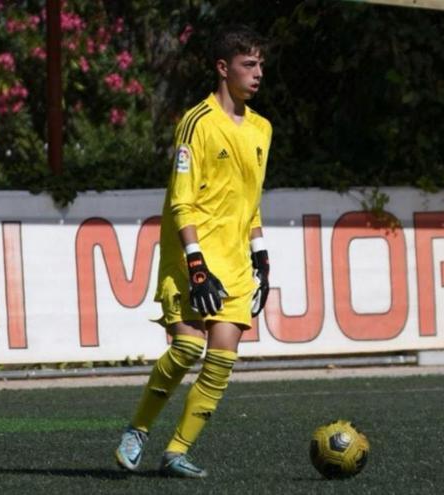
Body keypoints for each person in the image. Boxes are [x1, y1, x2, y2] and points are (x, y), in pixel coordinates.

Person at [114, 24, 271, 479]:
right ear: (223, 69)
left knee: (221, 360)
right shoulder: (196, 122)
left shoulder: (262, 128)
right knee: (186, 348)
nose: (258, 73)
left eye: (261, 64)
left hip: (237, 262)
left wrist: (260, 252)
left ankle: (176, 451)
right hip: (191, 256)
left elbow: (250, 199)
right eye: (249, 65)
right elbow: (182, 200)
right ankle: (138, 429)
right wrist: (196, 264)